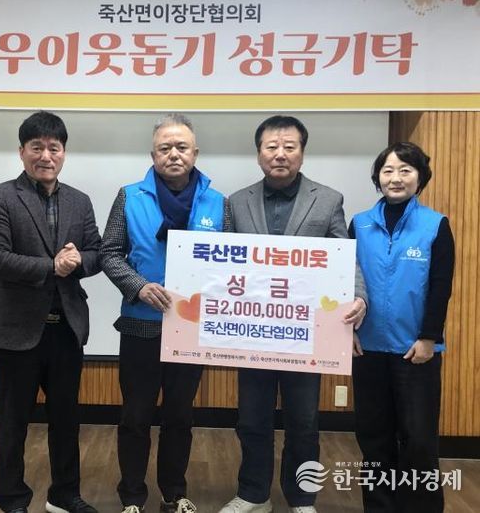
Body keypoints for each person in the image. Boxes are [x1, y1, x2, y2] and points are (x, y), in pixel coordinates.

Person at [220, 115, 368, 513]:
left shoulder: (328, 199)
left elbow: (345, 258)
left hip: (306, 332)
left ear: (302, 152)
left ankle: (302, 498)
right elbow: (223, 263)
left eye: (289, 146)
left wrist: (359, 298)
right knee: (252, 420)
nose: (280, 154)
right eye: (271, 147)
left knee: (304, 422)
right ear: (258, 154)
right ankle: (253, 494)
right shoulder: (236, 201)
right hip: (253, 331)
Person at [100, 113, 231, 513]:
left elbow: (230, 263)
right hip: (140, 325)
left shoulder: (217, 202)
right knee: (135, 416)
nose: (174, 154)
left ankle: (174, 494)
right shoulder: (130, 196)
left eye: (182, 147)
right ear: (153, 154)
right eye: (165, 147)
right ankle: (132, 497)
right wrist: (138, 286)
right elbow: (109, 253)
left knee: (179, 417)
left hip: (190, 329)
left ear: (195, 153)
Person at [0, 111, 101, 513]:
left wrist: (79, 259)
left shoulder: (79, 201)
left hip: (66, 329)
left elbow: (97, 253)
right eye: (37, 147)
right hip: (16, 331)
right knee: (13, 422)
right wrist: (52, 266)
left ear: (63, 153)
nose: (46, 156)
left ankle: (65, 494)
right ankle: (12, 499)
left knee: (66, 420)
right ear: (22, 152)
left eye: (54, 148)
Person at [350, 142, 455, 513]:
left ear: (420, 177)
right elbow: (347, 280)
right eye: (388, 170)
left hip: (416, 352)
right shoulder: (359, 223)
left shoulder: (435, 225)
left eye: (406, 170)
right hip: (367, 349)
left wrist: (429, 338)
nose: (396, 178)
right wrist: (349, 333)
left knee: (419, 440)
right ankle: (379, 507)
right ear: (377, 178)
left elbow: (440, 287)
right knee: (373, 437)